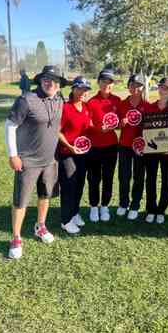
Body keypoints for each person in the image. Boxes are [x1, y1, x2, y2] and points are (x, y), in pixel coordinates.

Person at [5, 65, 66, 258]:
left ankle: (40, 226)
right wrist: (13, 154)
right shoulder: (26, 100)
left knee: (45, 195)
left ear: (59, 85)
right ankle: (15, 237)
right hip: (28, 161)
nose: (51, 83)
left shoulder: (59, 99)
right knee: (21, 200)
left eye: (55, 80)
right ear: (40, 80)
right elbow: (10, 125)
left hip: (50, 159)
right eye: (47, 79)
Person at [57, 76, 93, 234]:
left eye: (85, 89)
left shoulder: (85, 107)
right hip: (67, 153)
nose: (83, 92)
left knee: (79, 184)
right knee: (68, 186)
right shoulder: (65, 107)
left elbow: (89, 125)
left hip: (82, 153)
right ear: (73, 89)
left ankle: (74, 212)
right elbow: (57, 131)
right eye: (80, 88)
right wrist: (69, 146)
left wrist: (104, 127)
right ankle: (65, 220)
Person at [85, 69, 121, 222]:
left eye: (109, 81)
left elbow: (119, 123)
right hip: (94, 146)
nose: (106, 84)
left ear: (113, 84)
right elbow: (88, 123)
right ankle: (93, 207)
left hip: (111, 146)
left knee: (108, 177)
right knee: (94, 178)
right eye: (104, 81)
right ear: (98, 82)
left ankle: (104, 206)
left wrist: (119, 124)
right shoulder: (91, 102)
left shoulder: (117, 101)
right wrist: (99, 128)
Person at [143, 77, 168, 224]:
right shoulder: (150, 107)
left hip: (167, 151)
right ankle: (151, 209)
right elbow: (145, 129)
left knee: (166, 179)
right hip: (151, 150)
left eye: (166, 88)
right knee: (150, 178)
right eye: (161, 87)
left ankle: (161, 209)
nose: (163, 90)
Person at [117, 73, 148, 220]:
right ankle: (123, 203)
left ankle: (135, 204)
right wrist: (120, 123)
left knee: (139, 176)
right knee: (124, 176)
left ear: (142, 88)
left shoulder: (147, 106)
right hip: (124, 145)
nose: (135, 88)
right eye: (132, 84)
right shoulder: (122, 104)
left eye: (138, 85)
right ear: (128, 86)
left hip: (141, 147)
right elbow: (115, 124)